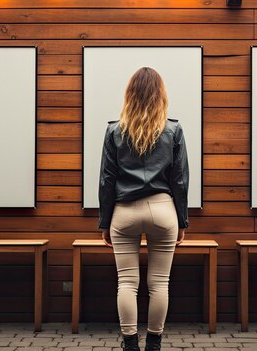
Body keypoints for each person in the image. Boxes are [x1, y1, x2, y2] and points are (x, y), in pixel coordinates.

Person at [98, 67, 189, 351]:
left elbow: (106, 180)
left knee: (127, 282)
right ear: (160, 95)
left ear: (129, 95)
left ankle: (130, 345)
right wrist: (183, 221)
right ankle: (154, 344)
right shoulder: (173, 130)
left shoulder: (114, 130)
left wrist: (104, 222)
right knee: (159, 283)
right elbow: (180, 179)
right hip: (163, 211)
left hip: (124, 212)